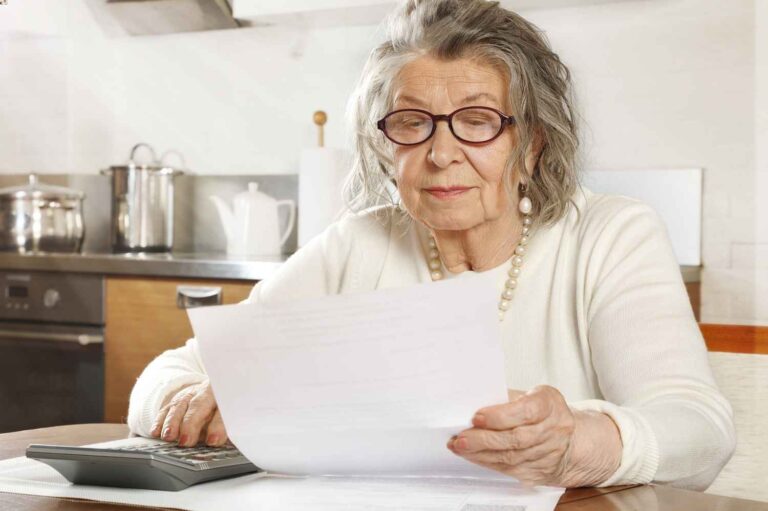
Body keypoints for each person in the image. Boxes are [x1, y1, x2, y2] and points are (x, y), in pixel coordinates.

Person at [128, 0, 735, 489]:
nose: (441, 154)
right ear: (386, 146)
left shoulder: (610, 237)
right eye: (412, 123)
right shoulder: (360, 242)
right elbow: (170, 372)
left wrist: (579, 442)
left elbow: (698, 430)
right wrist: (189, 400)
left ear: (532, 146)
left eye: (478, 121)